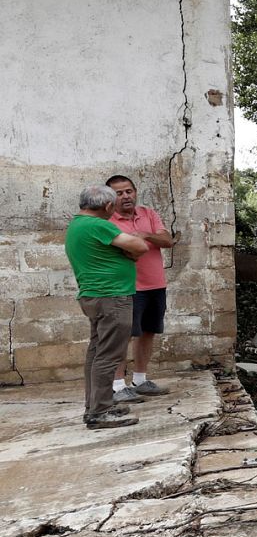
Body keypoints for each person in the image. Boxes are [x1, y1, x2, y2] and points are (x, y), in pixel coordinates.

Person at [65, 184, 149, 429]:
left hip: (94, 296)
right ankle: (99, 412)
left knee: (96, 353)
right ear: (108, 206)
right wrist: (131, 250)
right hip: (111, 297)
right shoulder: (99, 225)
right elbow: (140, 247)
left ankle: (94, 406)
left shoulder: (76, 224)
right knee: (109, 355)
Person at [106, 174, 176, 400]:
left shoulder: (148, 214)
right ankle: (117, 386)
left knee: (148, 332)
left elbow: (168, 241)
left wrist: (145, 234)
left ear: (135, 192)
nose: (125, 196)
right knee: (123, 336)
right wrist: (144, 241)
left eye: (129, 191)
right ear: (110, 198)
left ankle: (140, 380)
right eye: (119, 193)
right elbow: (122, 252)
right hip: (127, 287)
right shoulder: (107, 221)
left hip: (156, 284)